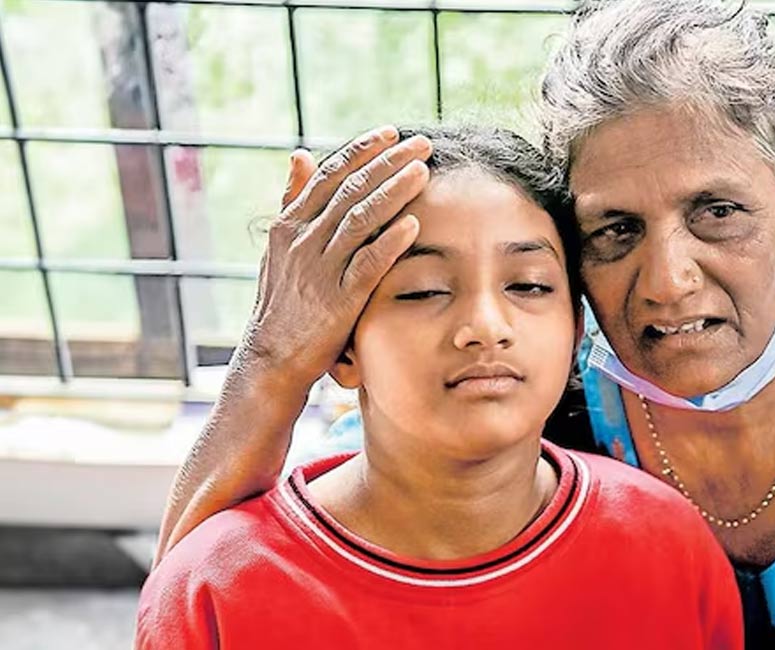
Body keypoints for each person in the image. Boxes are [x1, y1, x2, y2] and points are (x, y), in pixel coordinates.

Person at [155, 1, 775, 647]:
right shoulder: (500, 407)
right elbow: (204, 598)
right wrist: (275, 354)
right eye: (614, 230)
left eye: (718, 211)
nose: (666, 279)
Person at [136, 125, 743, 650]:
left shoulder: (667, 546)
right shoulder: (217, 588)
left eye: (529, 286)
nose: (485, 326)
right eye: (424, 290)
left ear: (576, 329)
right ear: (340, 348)